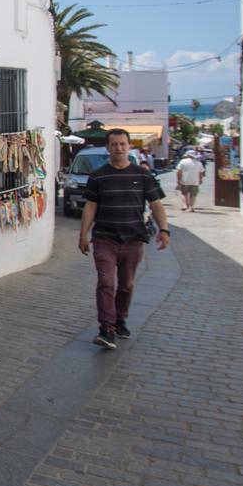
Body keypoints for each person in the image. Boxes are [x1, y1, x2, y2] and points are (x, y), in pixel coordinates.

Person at [79, 128, 171, 350]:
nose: (118, 148)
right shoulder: (98, 176)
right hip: (104, 238)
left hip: (133, 239)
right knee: (106, 282)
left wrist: (164, 230)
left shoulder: (142, 175)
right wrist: (83, 234)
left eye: (122, 144)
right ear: (108, 147)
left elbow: (156, 204)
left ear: (129, 146)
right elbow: (91, 206)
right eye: (114, 144)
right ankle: (106, 329)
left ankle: (120, 319)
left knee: (127, 285)